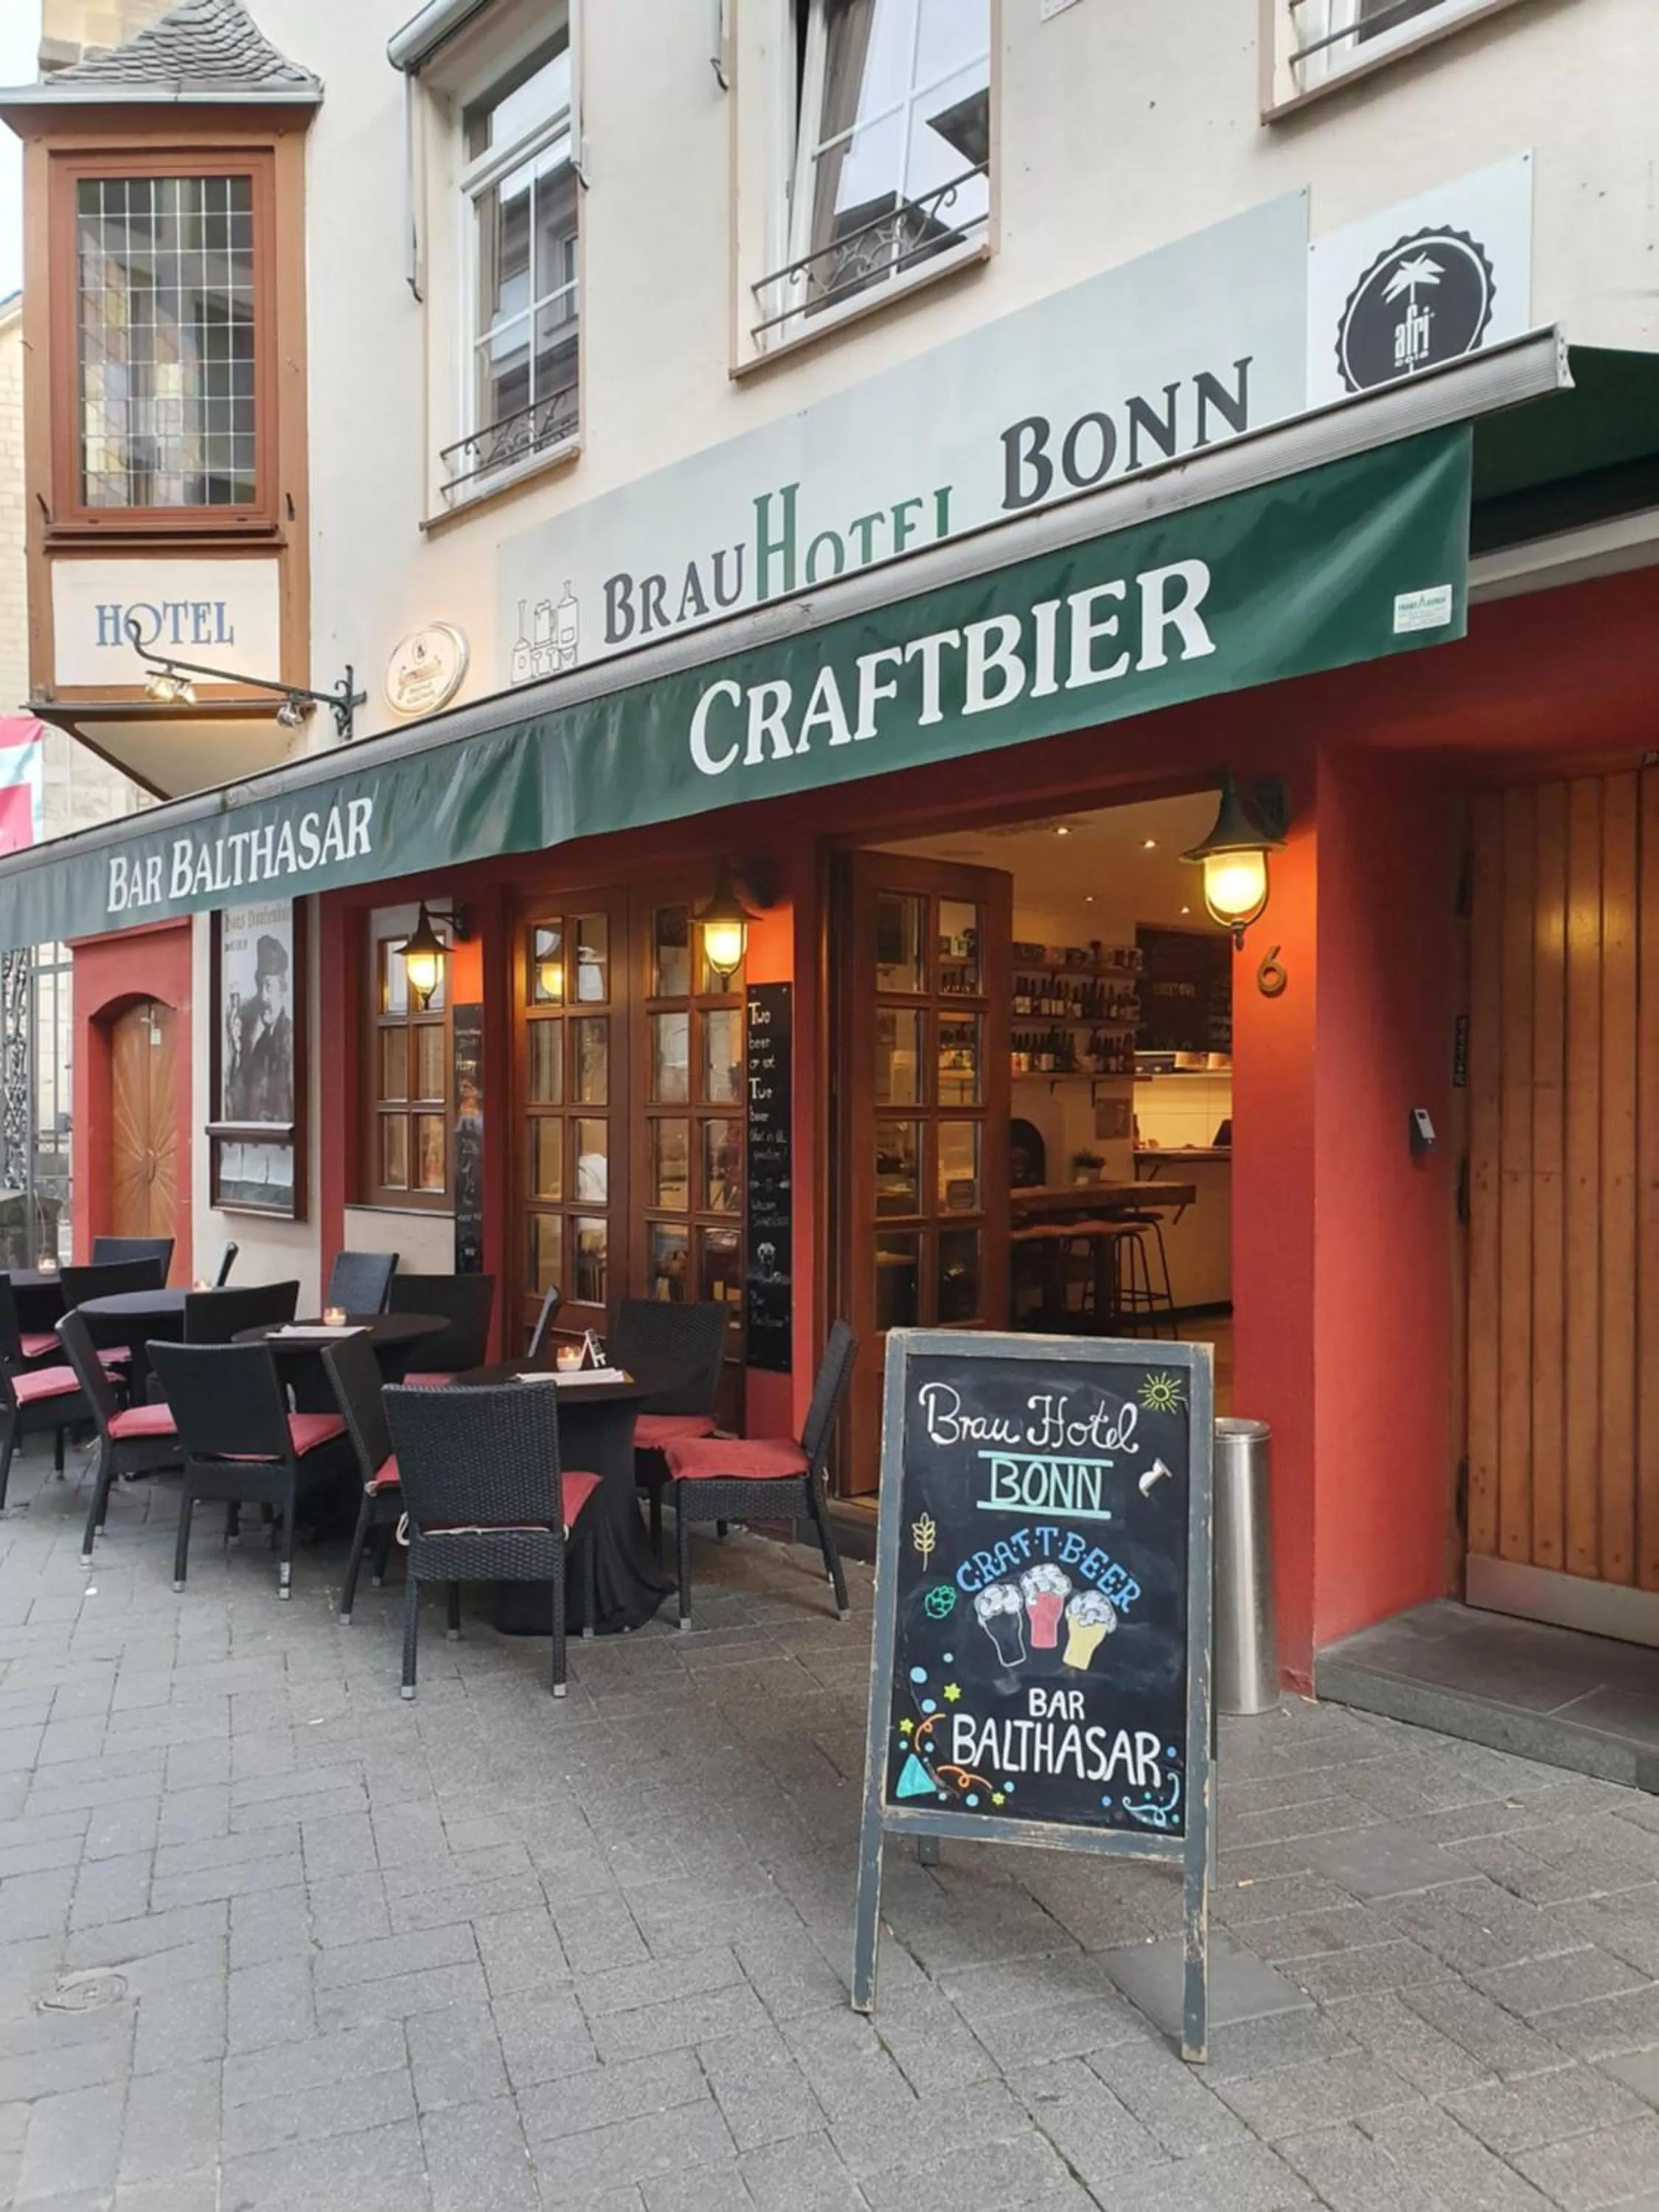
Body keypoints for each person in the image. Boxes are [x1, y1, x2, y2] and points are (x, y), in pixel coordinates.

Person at [228, 935, 293, 1124]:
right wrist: (237, 1052)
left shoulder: (290, 1038)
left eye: (269, 987)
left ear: (283, 988)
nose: (263, 997)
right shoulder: (258, 1043)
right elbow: (237, 1106)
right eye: (260, 986)